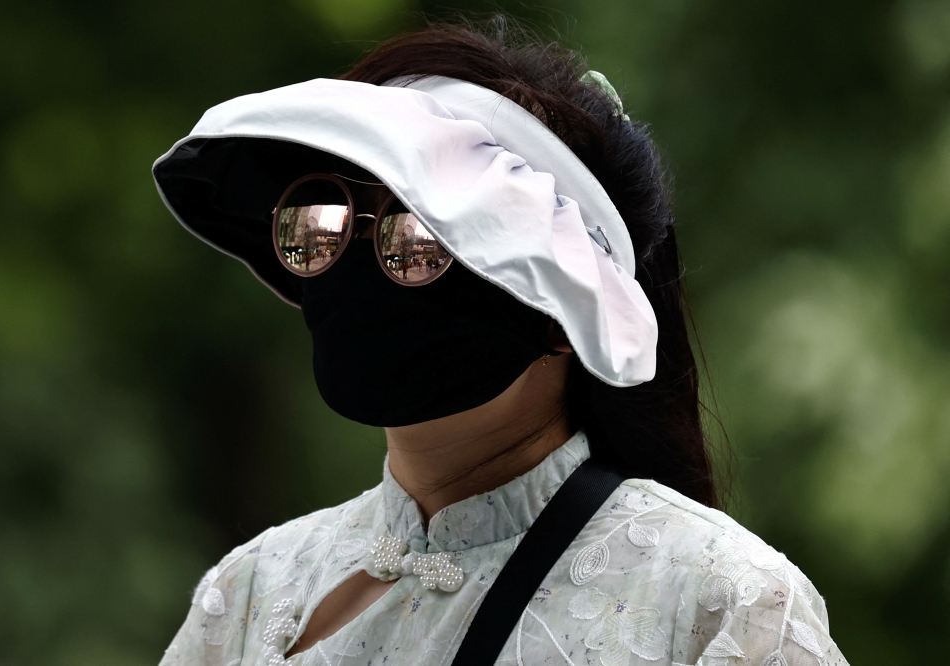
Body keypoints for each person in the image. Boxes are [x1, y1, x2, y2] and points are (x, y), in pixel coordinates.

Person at [152, 19, 847, 666]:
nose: (356, 264)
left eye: (423, 235)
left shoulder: (722, 602)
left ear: (568, 307)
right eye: (319, 217)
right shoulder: (251, 591)